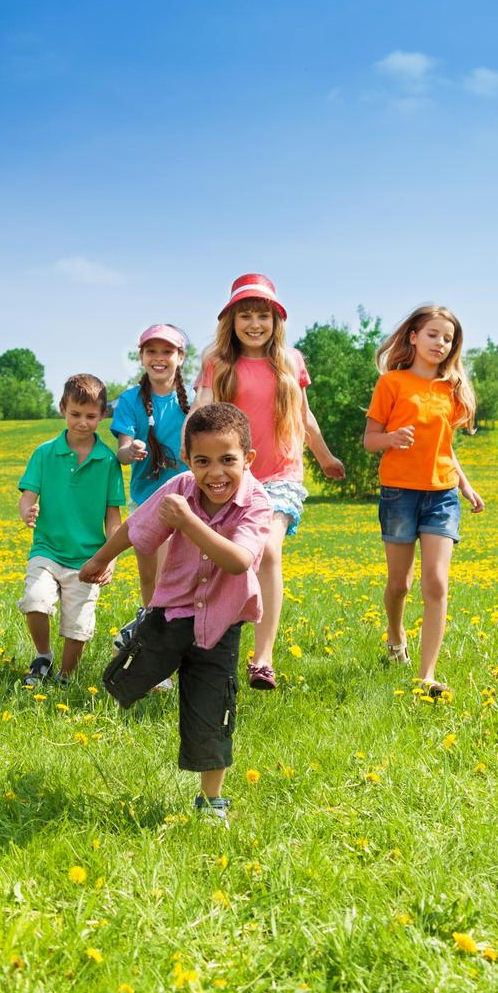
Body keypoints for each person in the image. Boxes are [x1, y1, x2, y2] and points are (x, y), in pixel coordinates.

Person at [79, 403, 271, 823]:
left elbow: (238, 561)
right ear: (188, 460)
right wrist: (99, 560)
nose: (215, 473)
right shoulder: (179, 488)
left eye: (227, 460)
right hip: (172, 613)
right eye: (202, 461)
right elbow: (137, 526)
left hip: (222, 623)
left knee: (213, 707)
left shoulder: (257, 504)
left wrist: (187, 523)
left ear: (248, 460)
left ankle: (211, 800)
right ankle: (140, 644)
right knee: (122, 681)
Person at [190, 273, 344, 690]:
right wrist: (194, 459)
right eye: (246, 316)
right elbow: (203, 412)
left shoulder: (291, 361)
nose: (254, 324)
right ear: (231, 321)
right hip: (232, 476)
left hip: (281, 475)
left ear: (276, 321)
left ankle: (263, 659)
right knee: (227, 561)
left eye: (263, 315)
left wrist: (326, 457)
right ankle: (212, 646)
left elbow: (304, 416)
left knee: (269, 552)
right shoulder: (217, 362)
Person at [363, 305, 485, 697]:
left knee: (436, 582)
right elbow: (370, 441)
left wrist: (465, 485)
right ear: (414, 337)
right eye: (433, 334)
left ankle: (426, 675)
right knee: (400, 583)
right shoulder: (392, 384)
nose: (440, 343)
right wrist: (392, 439)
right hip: (399, 492)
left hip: (442, 494)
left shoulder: (451, 389)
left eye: (447, 338)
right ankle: (395, 633)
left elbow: (445, 446)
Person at [17, 374, 124, 687]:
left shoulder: (107, 462)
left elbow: (113, 518)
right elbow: (26, 499)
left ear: (103, 415)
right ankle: (43, 657)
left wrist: (110, 559)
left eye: (91, 416)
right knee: (35, 601)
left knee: (78, 627)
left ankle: (64, 677)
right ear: (63, 408)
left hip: (88, 559)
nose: (82, 422)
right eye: (75, 414)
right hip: (47, 550)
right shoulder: (44, 453)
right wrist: (29, 513)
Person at [110, 325, 191, 685]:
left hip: (189, 500)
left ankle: (165, 646)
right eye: (151, 352)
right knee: (152, 580)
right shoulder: (129, 400)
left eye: (167, 351)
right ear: (142, 357)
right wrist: (132, 450)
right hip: (147, 501)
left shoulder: (193, 399)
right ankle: (154, 656)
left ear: (180, 358)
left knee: (179, 579)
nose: (159, 358)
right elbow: (123, 450)